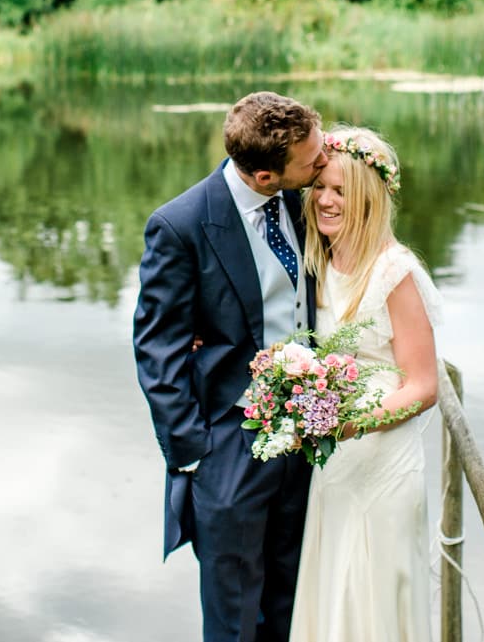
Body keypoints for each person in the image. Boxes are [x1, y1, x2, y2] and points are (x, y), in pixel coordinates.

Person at [133, 91, 329, 642]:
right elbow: (157, 349)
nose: (322, 164)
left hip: (305, 437)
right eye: (311, 160)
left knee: (289, 600)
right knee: (234, 614)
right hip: (228, 443)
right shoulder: (180, 225)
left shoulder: (303, 198)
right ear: (266, 175)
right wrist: (194, 453)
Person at [289, 125, 442, 642]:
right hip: (335, 463)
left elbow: (424, 386)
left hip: (383, 461)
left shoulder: (393, 271)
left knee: (377, 595)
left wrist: (353, 426)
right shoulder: (320, 261)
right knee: (335, 590)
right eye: (320, 188)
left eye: (341, 191)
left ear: (368, 198)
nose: (326, 201)